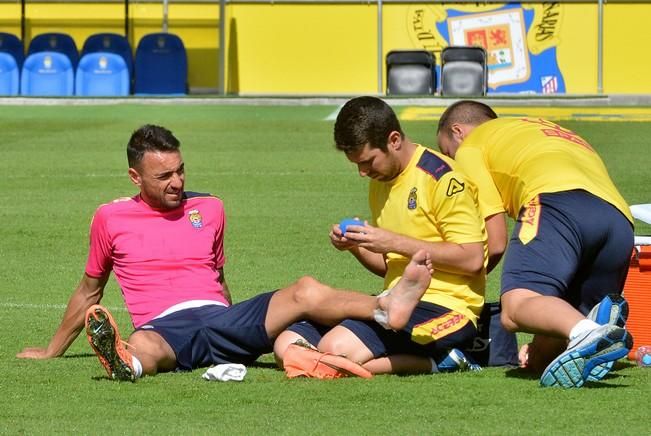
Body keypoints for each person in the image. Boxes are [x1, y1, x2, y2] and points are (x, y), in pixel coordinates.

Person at [16, 124, 435, 381]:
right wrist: (52, 349)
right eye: (163, 176)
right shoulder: (110, 218)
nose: (176, 182)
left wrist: (239, 323)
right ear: (134, 176)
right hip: (164, 328)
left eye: (180, 170)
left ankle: (386, 308)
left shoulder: (210, 207)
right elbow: (90, 290)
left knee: (305, 289)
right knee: (144, 344)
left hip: (223, 319)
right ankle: (128, 363)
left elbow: (217, 276)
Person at [274, 96, 488, 375]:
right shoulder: (381, 181)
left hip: (447, 307)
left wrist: (392, 241)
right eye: (357, 165)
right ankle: (376, 358)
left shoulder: (443, 178)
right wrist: (357, 246)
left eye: (368, 161)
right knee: (287, 345)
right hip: (392, 301)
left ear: (394, 140)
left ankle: (441, 361)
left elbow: (472, 259)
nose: (363, 173)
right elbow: (390, 266)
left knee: (333, 348)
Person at [436, 100, 634, 388]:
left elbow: (496, 241)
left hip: (556, 203)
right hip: (617, 220)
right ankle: (592, 326)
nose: (452, 161)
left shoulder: (471, 147)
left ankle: (589, 329)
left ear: (458, 132)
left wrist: (461, 284)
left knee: (516, 308)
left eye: (447, 152)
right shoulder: (543, 128)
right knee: (542, 357)